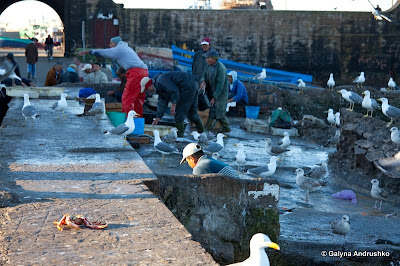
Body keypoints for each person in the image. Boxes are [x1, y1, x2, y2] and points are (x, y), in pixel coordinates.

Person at [78, 36, 148, 117]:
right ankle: (138, 120)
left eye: (111, 43)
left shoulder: (119, 49)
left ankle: (127, 121)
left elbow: (104, 52)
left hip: (136, 72)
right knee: (138, 99)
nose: (110, 46)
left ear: (115, 43)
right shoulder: (127, 48)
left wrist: (88, 52)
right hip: (144, 72)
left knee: (127, 98)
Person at [141, 71, 205, 137]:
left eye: (147, 89)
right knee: (192, 113)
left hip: (186, 86)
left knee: (179, 113)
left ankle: (180, 135)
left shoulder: (161, 81)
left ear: (149, 85)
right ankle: (203, 132)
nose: (148, 91)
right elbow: (163, 101)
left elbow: (174, 91)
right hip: (193, 83)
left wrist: (174, 104)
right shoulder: (159, 84)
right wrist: (158, 117)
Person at [200, 49, 231, 133]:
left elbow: (220, 86)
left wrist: (214, 97)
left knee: (215, 112)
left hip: (220, 94)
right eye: (206, 58)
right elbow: (204, 75)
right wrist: (203, 81)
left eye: (208, 58)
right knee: (218, 113)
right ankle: (226, 128)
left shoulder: (221, 69)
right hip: (212, 92)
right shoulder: (209, 66)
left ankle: (206, 130)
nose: (206, 60)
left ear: (214, 59)